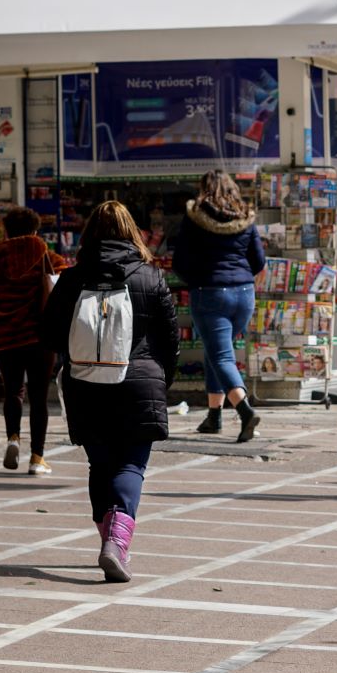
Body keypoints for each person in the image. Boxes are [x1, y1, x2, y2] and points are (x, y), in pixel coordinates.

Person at [42, 201, 179, 582]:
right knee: (131, 463)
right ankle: (116, 545)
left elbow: (50, 334)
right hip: (140, 381)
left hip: (85, 384)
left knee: (100, 464)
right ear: (132, 232)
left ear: (89, 234)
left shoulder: (71, 279)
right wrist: (162, 380)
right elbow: (170, 339)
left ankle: (110, 541)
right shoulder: (150, 276)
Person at [174, 170, 266, 443]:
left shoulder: (195, 218)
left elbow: (179, 261)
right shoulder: (245, 218)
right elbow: (258, 260)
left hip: (210, 294)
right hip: (244, 296)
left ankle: (245, 410)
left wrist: (197, 280)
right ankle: (214, 416)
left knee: (221, 356)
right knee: (216, 352)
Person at [0, 208, 69, 475]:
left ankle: (13, 438)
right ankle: (37, 458)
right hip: (39, 337)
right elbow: (63, 291)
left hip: (6, 337)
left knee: (13, 392)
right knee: (39, 398)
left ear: (6, 231)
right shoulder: (47, 257)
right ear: (36, 230)